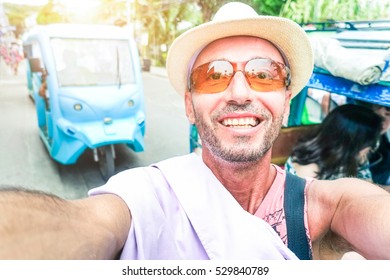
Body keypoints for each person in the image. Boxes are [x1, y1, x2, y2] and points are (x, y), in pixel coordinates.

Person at [1, 2, 390, 260]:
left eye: (263, 74)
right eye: (214, 75)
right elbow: (82, 226)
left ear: (286, 102)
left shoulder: (327, 208)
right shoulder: (146, 197)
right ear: (189, 105)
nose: (240, 92)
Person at [285, 104, 383, 181]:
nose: (371, 148)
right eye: (369, 143)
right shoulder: (308, 171)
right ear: (352, 144)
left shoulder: (355, 157)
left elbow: (367, 189)